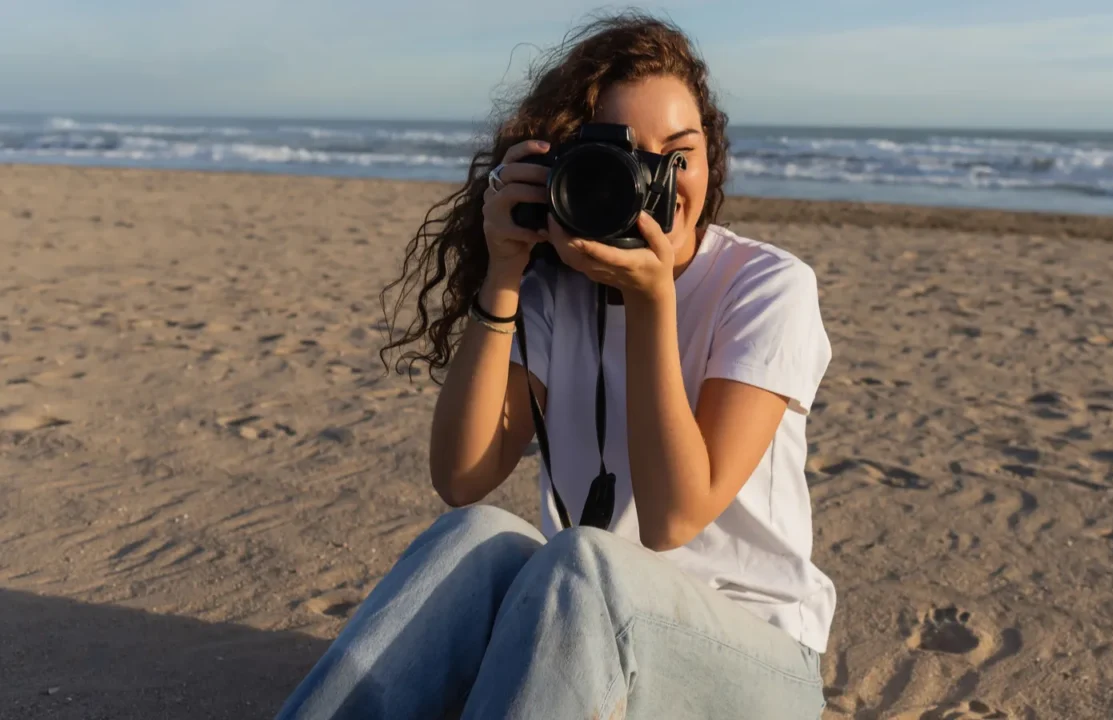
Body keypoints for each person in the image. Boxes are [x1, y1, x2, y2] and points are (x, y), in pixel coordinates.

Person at [276, 11, 834, 720]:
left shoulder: (764, 287)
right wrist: (503, 273)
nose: (658, 180)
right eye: (627, 159)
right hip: (580, 634)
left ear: (710, 158)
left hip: (754, 666)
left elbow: (672, 519)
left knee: (581, 558)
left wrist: (651, 303)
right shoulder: (550, 294)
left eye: (681, 153)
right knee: (477, 535)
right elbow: (462, 477)